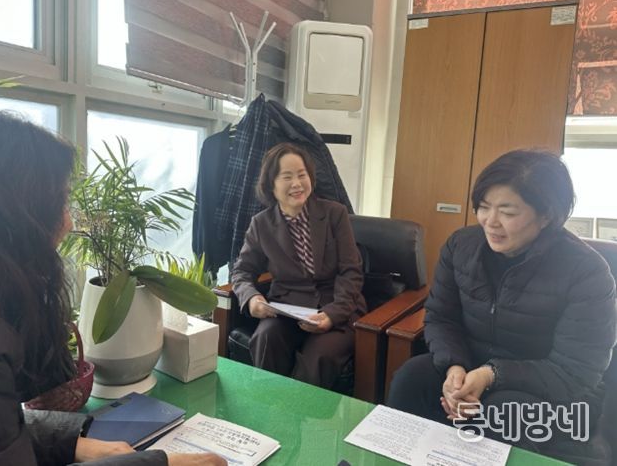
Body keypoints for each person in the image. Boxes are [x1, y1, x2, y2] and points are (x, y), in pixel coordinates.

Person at [0, 112, 225, 466]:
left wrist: (70, 442)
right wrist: (161, 463)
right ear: (13, 212)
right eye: (59, 203)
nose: (68, 223)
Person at [387, 149, 617, 465]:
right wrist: (454, 367)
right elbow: (441, 317)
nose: (490, 222)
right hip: (472, 366)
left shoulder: (587, 272)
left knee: (503, 413)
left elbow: (576, 371)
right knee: (412, 377)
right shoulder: (461, 246)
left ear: (546, 216)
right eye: (484, 207)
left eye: (508, 212)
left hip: (556, 392)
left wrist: (491, 375)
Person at [231, 143, 367, 389]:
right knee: (265, 338)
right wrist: (251, 298)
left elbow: (351, 271)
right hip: (287, 309)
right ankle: (267, 404)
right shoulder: (261, 224)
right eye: (287, 177)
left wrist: (333, 314)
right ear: (271, 185)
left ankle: (300, 412)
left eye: (302, 175)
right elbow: (242, 271)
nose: (297, 184)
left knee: (319, 357)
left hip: (336, 308)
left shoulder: (335, 214)